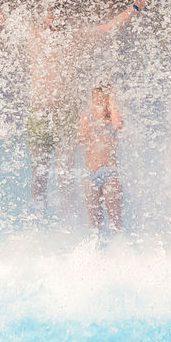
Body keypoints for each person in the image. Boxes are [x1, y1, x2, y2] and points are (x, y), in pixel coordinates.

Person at [26, 0, 150, 216]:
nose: (53, 15)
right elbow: (0, 20)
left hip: (63, 112)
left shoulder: (74, 38)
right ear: (44, 14)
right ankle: (38, 224)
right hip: (38, 112)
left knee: (64, 175)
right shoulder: (34, 36)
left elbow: (108, 28)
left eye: (58, 10)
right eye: (50, 10)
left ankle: (66, 222)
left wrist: (134, 7)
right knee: (38, 175)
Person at [78, 85, 123, 232]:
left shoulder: (112, 118)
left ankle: (118, 249)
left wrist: (112, 104)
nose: (98, 101)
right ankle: (96, 250)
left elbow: (118, 125)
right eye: (95, 98)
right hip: (90, 174)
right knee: (94, 224)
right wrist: (92, 120)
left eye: (102, 98)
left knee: (115, 221)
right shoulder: (88, 116)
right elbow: (80, 137)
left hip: (109, 173)